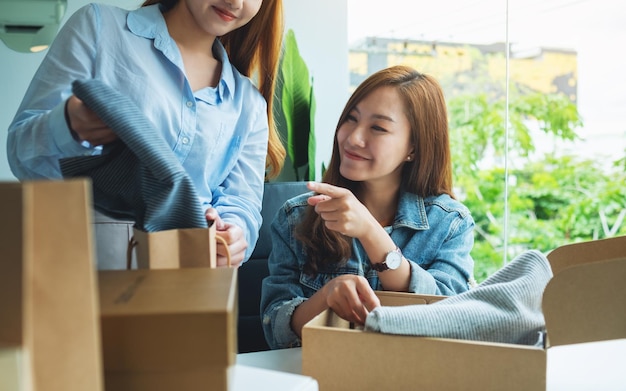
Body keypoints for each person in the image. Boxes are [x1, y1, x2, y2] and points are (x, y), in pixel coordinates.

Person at [6, 0, 286, 268]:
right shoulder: (99, 27)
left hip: (186, 280)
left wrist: (234, 236)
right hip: (78, 267)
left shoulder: (248, 105)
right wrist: (67, 126)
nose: (234, 1)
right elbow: (21, 153)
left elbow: (242, 204)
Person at [260, 65, 475, 349]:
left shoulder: (450, 223)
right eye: (351, 118)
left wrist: (371, 232)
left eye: (378, 127)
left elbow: (451, 320)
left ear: (414, 147)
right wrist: (326, 297)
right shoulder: (296, 217)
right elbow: (275, 330)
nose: (352, 138)